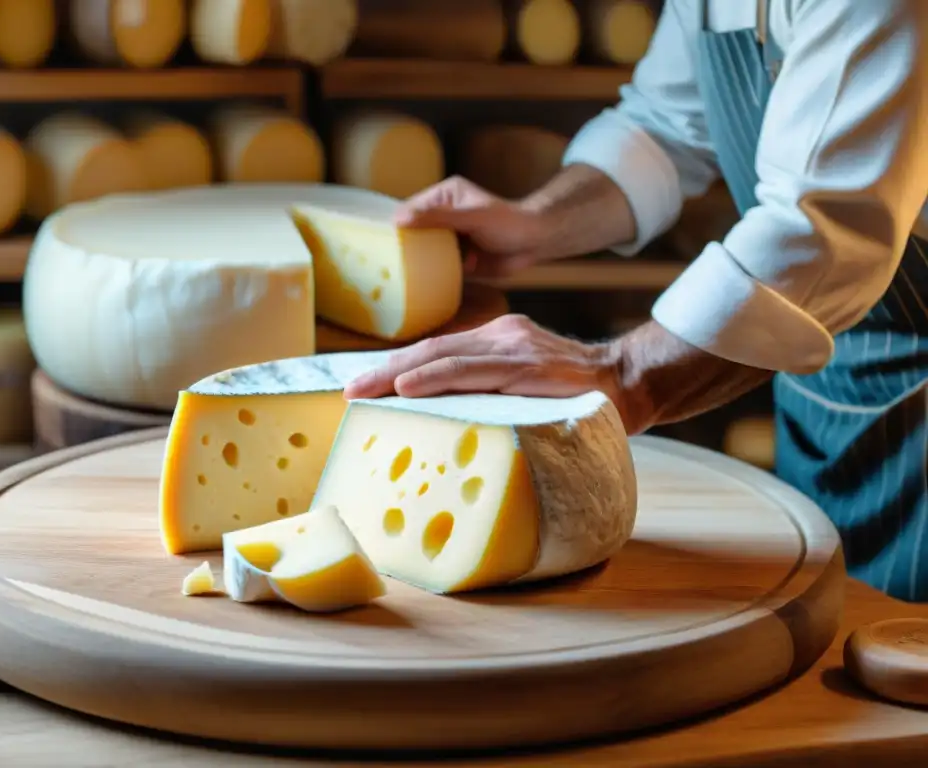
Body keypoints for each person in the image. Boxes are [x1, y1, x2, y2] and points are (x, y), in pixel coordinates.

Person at [344, 0, 928, 602]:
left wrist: (624, 373)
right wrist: (538, 221)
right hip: (830, 383)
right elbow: (666, 128)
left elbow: (823, 230)